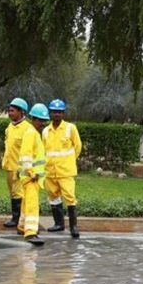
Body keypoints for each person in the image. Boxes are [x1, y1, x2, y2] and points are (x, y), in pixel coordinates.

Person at [43, 99, 82, 238]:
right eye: (54, 112)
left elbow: (77, 147)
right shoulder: (45, 131)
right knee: (53, 197)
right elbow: (43, 150)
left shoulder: (71, 128)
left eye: (59, 112)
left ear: (63, 113)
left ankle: (74, 227)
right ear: (50, 113)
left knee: (70, 198)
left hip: (66, 171)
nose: (57, 114)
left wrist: (69, 161)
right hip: (50, 171)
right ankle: (58, 224)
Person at [17, 103, 49, 245]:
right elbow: (26, 155)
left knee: (26, 203)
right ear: (33, 119)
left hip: (30, 177)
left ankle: (22, 226)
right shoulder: (31, 133)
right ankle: (30, 232)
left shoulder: (34, 133)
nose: (42, 123)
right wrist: (31, 172)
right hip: (31, 177)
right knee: (32, 204)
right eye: (40, 120)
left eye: (44, 121)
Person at [1, 98, 34, 229]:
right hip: (9, 167)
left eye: (12, 111)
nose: (10, 113)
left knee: (19, 194)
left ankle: (18, 218)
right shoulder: (10, 127)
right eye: (9, 111)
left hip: (19, 168)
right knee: (13, 194)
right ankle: (16, 217)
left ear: (21, 112)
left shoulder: (27, 128)